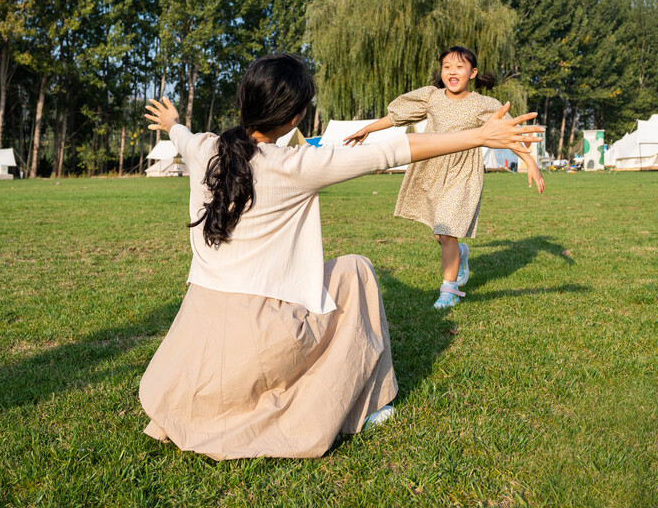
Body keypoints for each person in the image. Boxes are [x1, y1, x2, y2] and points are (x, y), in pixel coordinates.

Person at [139, 53, 543, 460]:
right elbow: (397, 151)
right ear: (295, 117)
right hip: (262, 339)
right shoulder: (296, 165)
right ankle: (368, 406)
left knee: (343, 274)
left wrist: (173, 123)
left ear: (245, 100)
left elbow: (183, 137)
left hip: (197, 335)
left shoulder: (204, 149)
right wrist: (478, 137)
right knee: (356, 270)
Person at [345, 45, 545, 310]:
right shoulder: (431, 97)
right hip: (431, 168)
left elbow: (507, 134)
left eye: (459, 67)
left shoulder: (483, 104)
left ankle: (448, 290)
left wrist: (530, 162)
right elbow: (397, 117)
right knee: (442, 234)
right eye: (447, 66)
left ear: (472, 73)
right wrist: (367, 129)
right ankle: (460, 254)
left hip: (463, 172)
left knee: (447, 230)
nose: (452, 71)